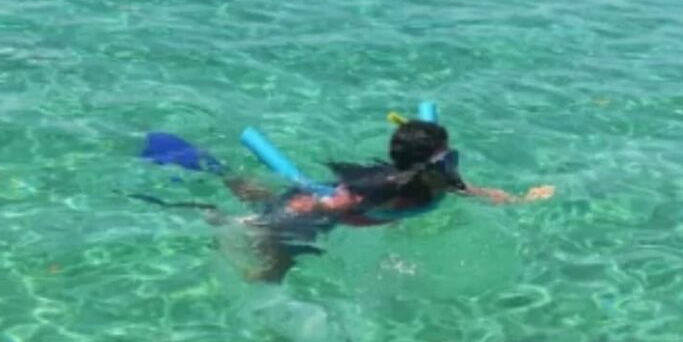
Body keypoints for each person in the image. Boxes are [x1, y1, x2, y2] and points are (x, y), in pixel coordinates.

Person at [225, 119, 554, 282]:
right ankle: (235, 193)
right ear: (420, 169)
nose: (452, 165)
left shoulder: (441, 180)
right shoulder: (380, 189)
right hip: (321, 210)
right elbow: (318, 205)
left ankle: (251, 192)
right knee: (276, 270)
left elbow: (480, 193)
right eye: (445, 159)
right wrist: (267, 226)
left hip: (355, 208)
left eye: (452, 155)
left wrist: (521, 200)